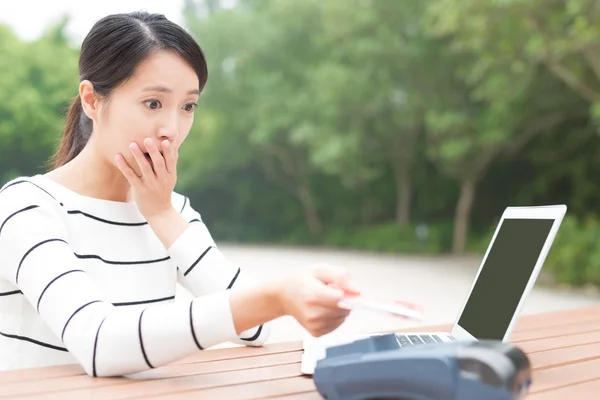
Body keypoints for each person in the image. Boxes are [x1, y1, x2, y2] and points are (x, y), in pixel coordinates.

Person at [0, 11, 359, 377]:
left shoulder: (171, 211)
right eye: (153, 103)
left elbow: (256, 329)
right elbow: (99, 345)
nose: (172, 129)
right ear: (92, 100)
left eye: (188, 106)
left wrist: (162, 215)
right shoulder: (26, 207)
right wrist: (276, 297)